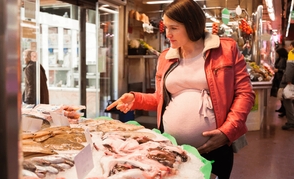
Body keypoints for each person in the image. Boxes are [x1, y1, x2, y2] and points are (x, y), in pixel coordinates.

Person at [106, 0, 255, 178]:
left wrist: (227, 132)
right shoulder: (166, 58)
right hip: (172, 148)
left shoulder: (225, 50)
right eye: (166, 28)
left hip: (215, 147)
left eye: (174, 28)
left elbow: (245, 94)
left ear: (191, 24)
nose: (167, 34)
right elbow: (160, 99)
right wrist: (136, 99)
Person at [280, 41, 294, 130]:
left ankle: (291, 122)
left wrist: (288, 80)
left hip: (292, 82)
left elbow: (290, 68)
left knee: (287, 98)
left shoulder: (292, 53)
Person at [270, 47, 288, 117]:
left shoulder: (284, 60)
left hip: (281, 78)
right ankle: (282, 108)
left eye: (277, 53)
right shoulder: (280, 59)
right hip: (278, 78)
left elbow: (284, 70)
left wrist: (278, 70)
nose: (276, 54)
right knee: (280, 93)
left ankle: (284, 110)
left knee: (282, 94)